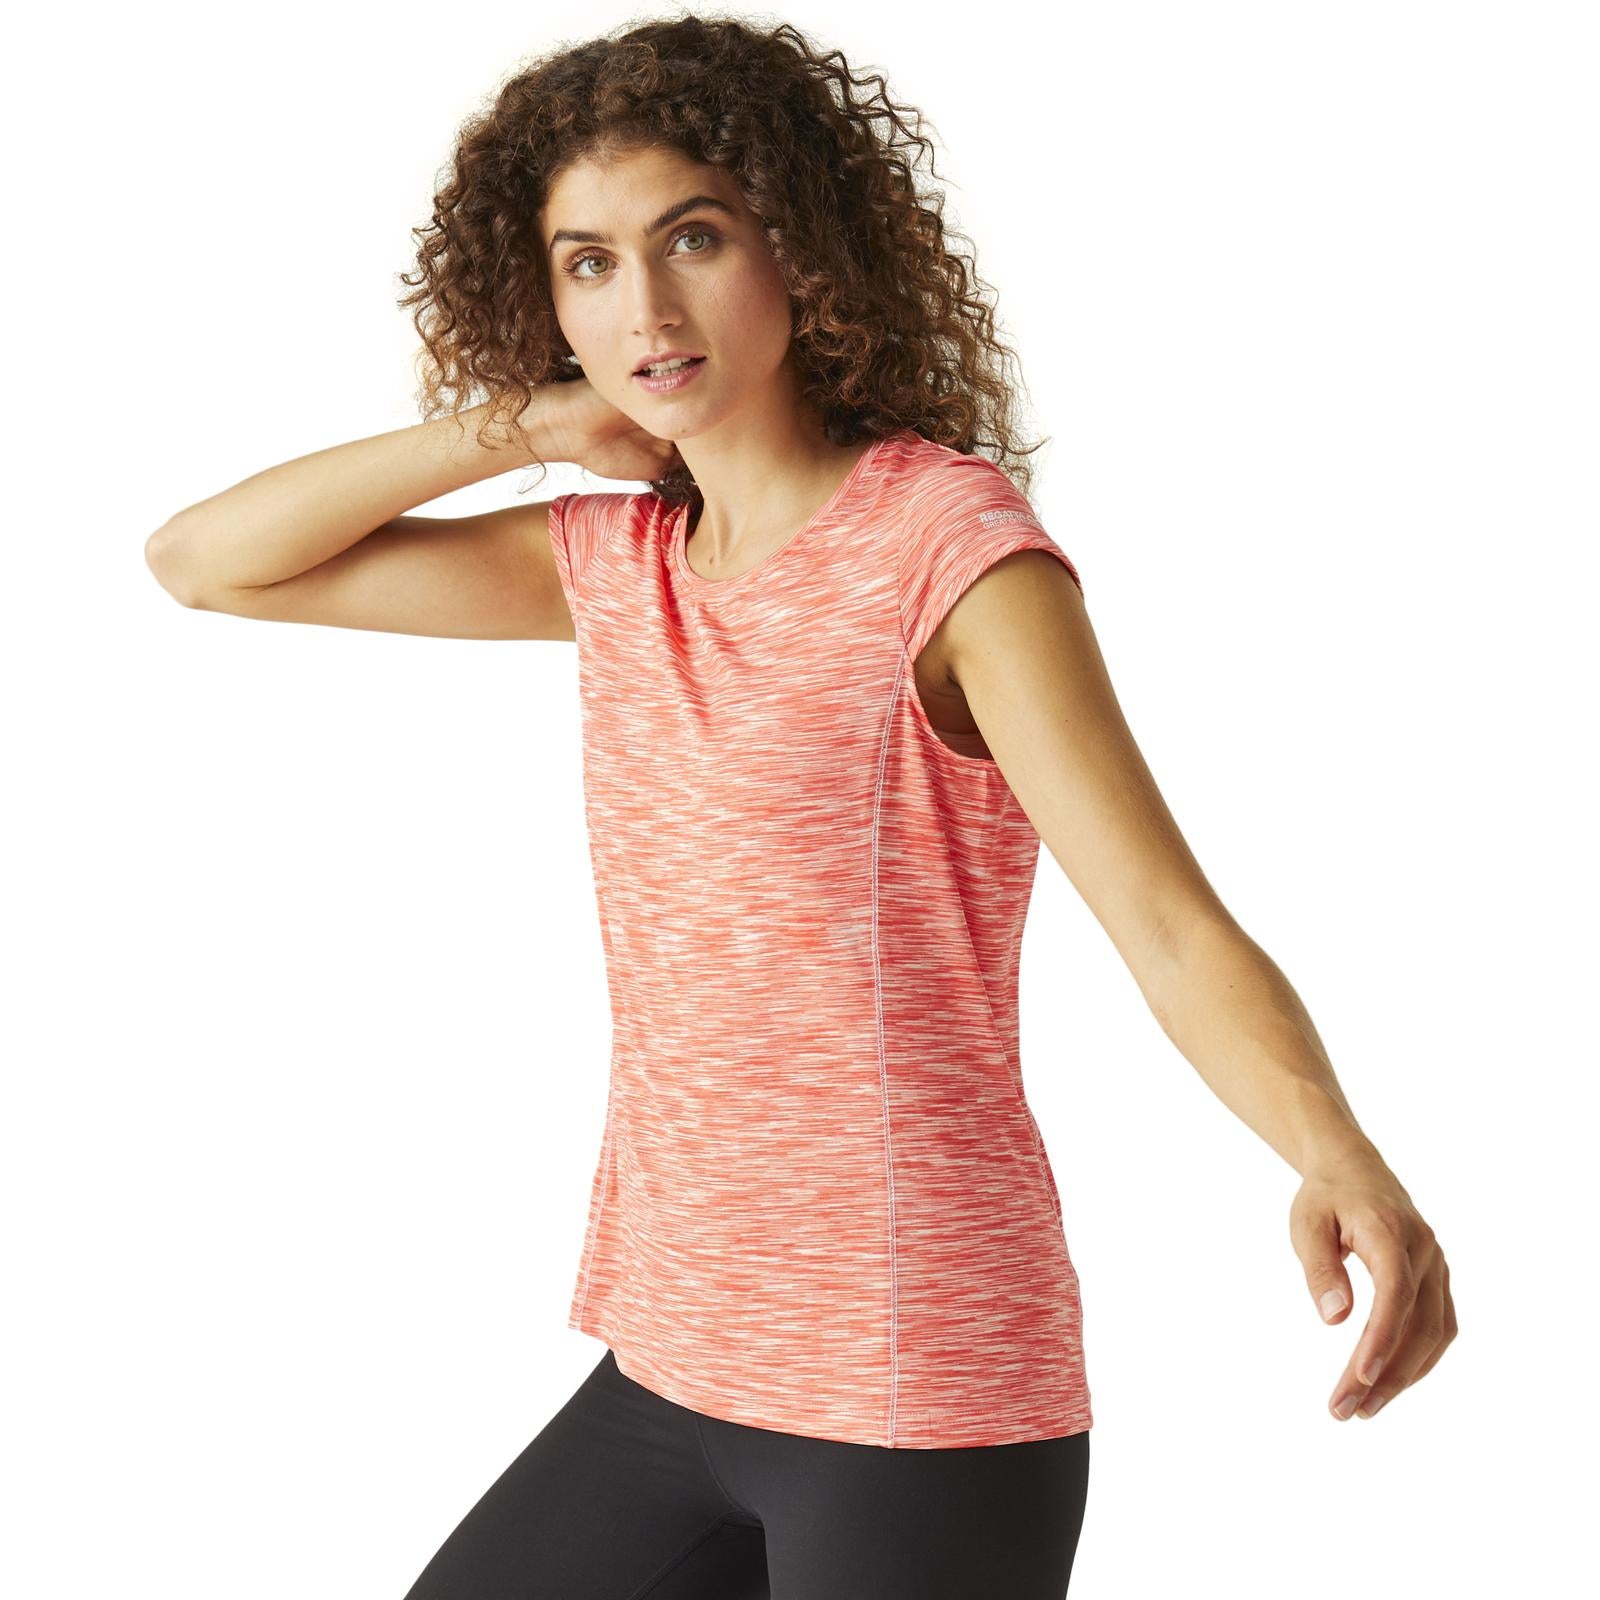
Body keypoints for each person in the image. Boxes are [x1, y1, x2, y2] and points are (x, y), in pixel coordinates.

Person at [143, 15, 1456, 1598]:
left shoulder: (950, 550)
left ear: (798, 244)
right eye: (588, 264)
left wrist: (1335, 1151)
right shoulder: (618, 566)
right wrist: (531, 425)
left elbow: (1166, 924)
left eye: (693, 237)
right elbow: (204, 563)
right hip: (675, 1358)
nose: (647, 307)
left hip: (916, 1386)